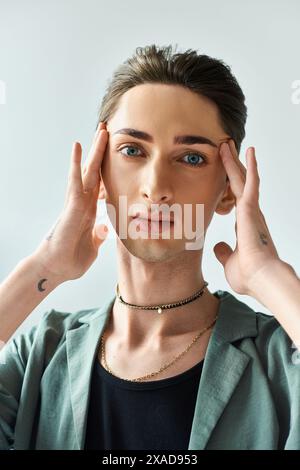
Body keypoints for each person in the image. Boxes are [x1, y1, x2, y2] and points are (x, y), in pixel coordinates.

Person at [1, 44, 300, 451]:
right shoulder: (40, 354)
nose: (157, 188)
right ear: (99, 173)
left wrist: (269, 277)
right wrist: (44, 267)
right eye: (132, 150)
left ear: (229, 190)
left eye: (191, 158)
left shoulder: (278, 363)